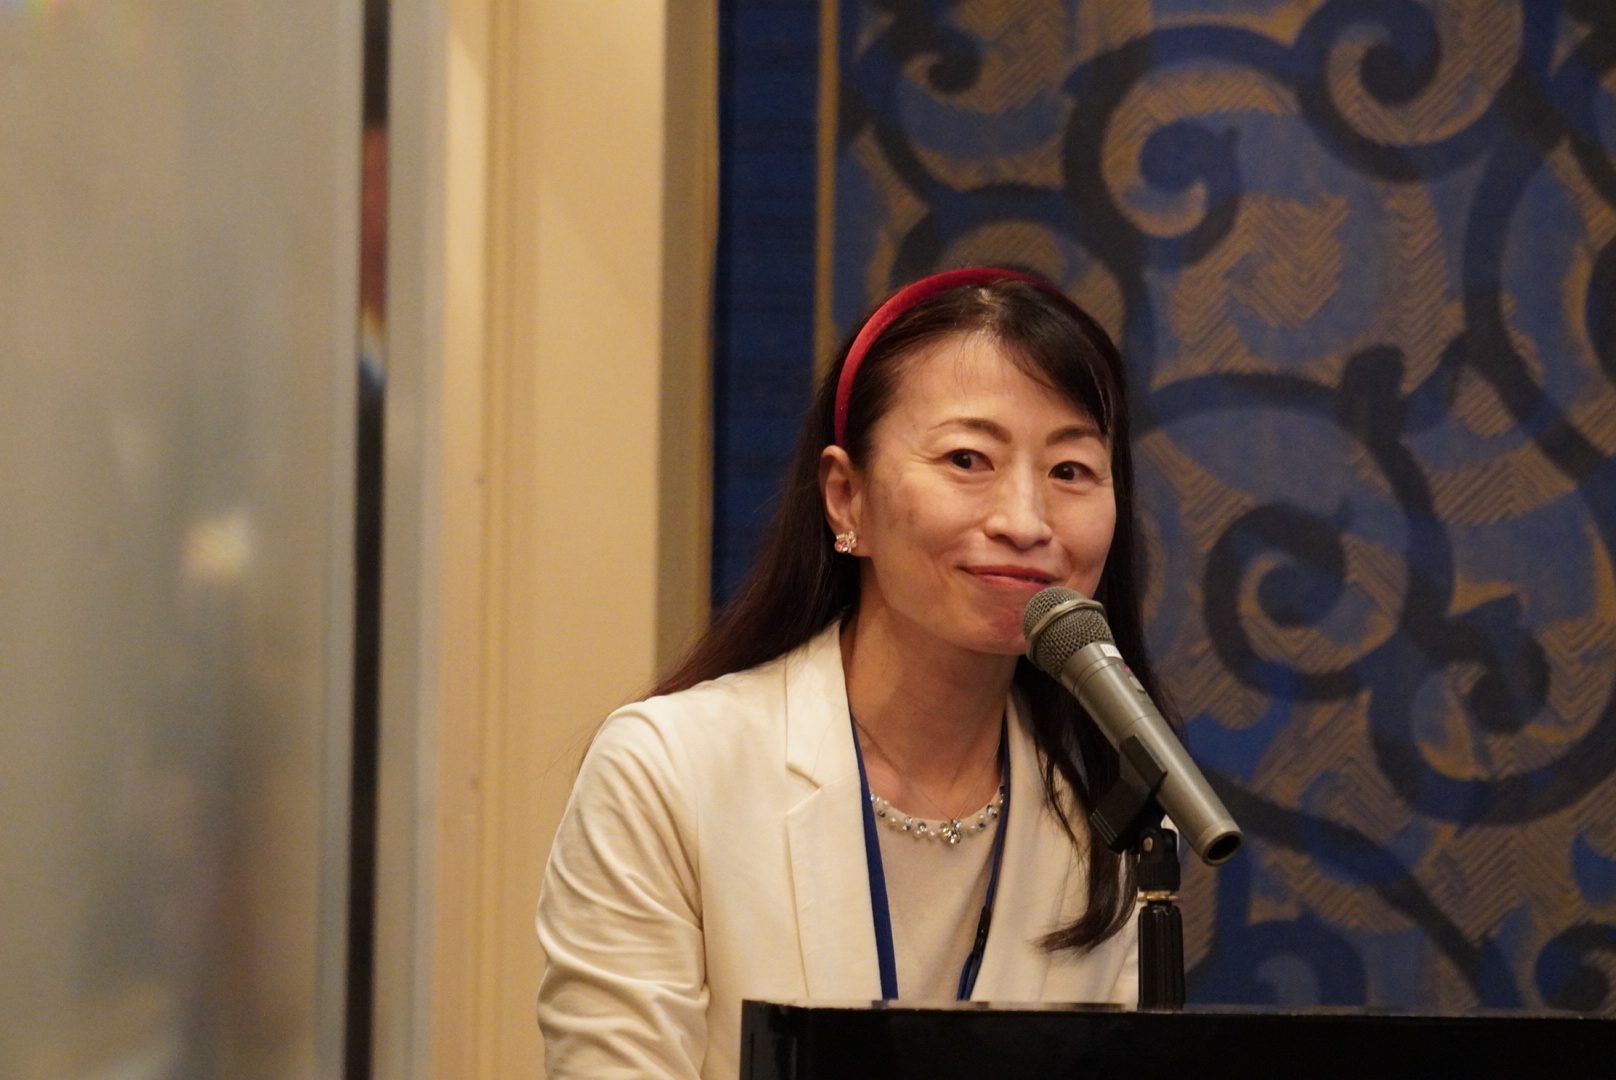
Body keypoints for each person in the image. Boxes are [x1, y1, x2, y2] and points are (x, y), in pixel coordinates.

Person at [536, 267, 1170, 1080]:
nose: (1025, 520)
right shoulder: (670, 771)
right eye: (968, 458)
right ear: (846, 498)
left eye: (1071, 470)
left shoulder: (1112, 822)